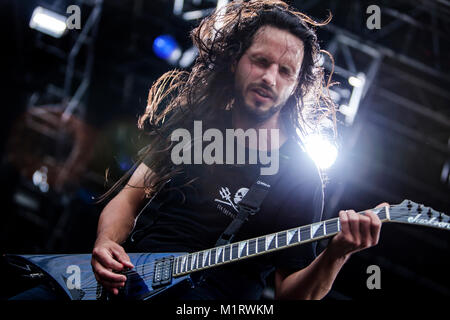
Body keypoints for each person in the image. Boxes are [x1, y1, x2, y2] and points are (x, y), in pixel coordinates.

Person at [9, 0, 386, 300]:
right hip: (123, 283)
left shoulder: (300, 176)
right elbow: (128, 198)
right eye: (260, 61)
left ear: (296, 86)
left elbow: (292, 294)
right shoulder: (194, 127)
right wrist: (106, 243)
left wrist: (337, 255)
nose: (270, 78)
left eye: (286, 71)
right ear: (236, 61)